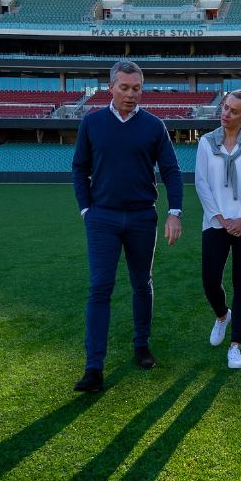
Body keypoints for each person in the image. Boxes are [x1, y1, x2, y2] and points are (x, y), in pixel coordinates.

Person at [71, 60, 183, 393]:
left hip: (140, 217)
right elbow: (79, 169)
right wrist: (86, 210)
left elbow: (171, 172)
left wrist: (174, 212)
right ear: (111, 87)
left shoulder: (154, 126)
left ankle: (141, 344)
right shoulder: (92, 123)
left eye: (137, 88)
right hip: (102, 218)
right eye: (124, 88)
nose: (131, 94)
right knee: (100, 288)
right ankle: (94, 367)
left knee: (141, 283)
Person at [194, 90, 241, 370]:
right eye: (225, 108)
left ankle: (235, 345)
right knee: (210, 280)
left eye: (233, 111)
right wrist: (221, 218)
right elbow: (201, 183)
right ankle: (222, 316)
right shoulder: (205, 142)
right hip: (215, 221)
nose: (226, 114)